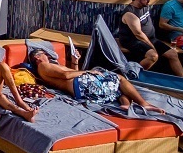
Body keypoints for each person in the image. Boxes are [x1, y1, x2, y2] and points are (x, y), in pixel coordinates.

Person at [27, 47, 163, 112]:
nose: (47, 56)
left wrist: (75, 61)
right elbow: (66, 76)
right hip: (79, 85)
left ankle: (125, 104)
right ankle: (143, 103)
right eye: (44, 54)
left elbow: (73, 73)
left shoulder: (49, 66)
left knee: (115, 85)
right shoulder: (43, 66)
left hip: (79, 88)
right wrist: (89, 71)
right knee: (119, 79)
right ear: (37, 57)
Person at [119, 0, 182, 73]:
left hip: (150, 39)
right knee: (153, 56)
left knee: (173, 54)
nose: (148, 0)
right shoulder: (130, 14)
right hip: (133, 41)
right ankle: (133, 74)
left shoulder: (143, 6)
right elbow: (138, 34)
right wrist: (152, 47)